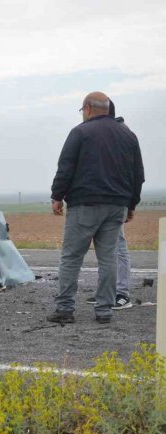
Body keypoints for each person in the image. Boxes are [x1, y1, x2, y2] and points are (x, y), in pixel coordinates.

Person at [47, 92, 144, 324]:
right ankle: (104, 311)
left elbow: (66, 166)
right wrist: (131, 204)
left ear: (87, 109)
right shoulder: (128, 135)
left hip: (85, 204)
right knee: (108, 258)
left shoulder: (80, 132)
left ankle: (65, 309)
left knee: (71, 258)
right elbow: (138, 175)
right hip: (116, 206)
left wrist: (57, 196)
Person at [85, 99, 133, 310]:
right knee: (107, 248)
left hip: (115, 199)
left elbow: (131, 169)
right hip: (105, 198)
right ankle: (107, 292)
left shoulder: (119, 133)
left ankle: (121, 293)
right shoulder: (115, 132)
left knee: (118, 246)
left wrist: (130, 201)